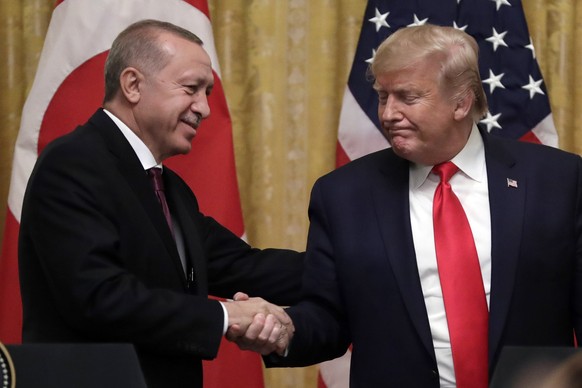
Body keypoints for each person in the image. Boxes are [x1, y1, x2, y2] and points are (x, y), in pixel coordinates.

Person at [231, 24, 582, 387]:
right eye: (383, 96)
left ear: (461, 102)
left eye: (407, 97)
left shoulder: (558, 180)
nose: (388, 113)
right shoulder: (343, 196)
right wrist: (285, 331)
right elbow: (329, 318)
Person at [18, 19, 301, 388]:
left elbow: (243, 265)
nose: (204, 108)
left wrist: (366, 266)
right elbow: (99, 297)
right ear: (133, 85)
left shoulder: (168, 187)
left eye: (207, 92)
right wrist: (227, 316)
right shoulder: (73, 163)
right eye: (191, 89)